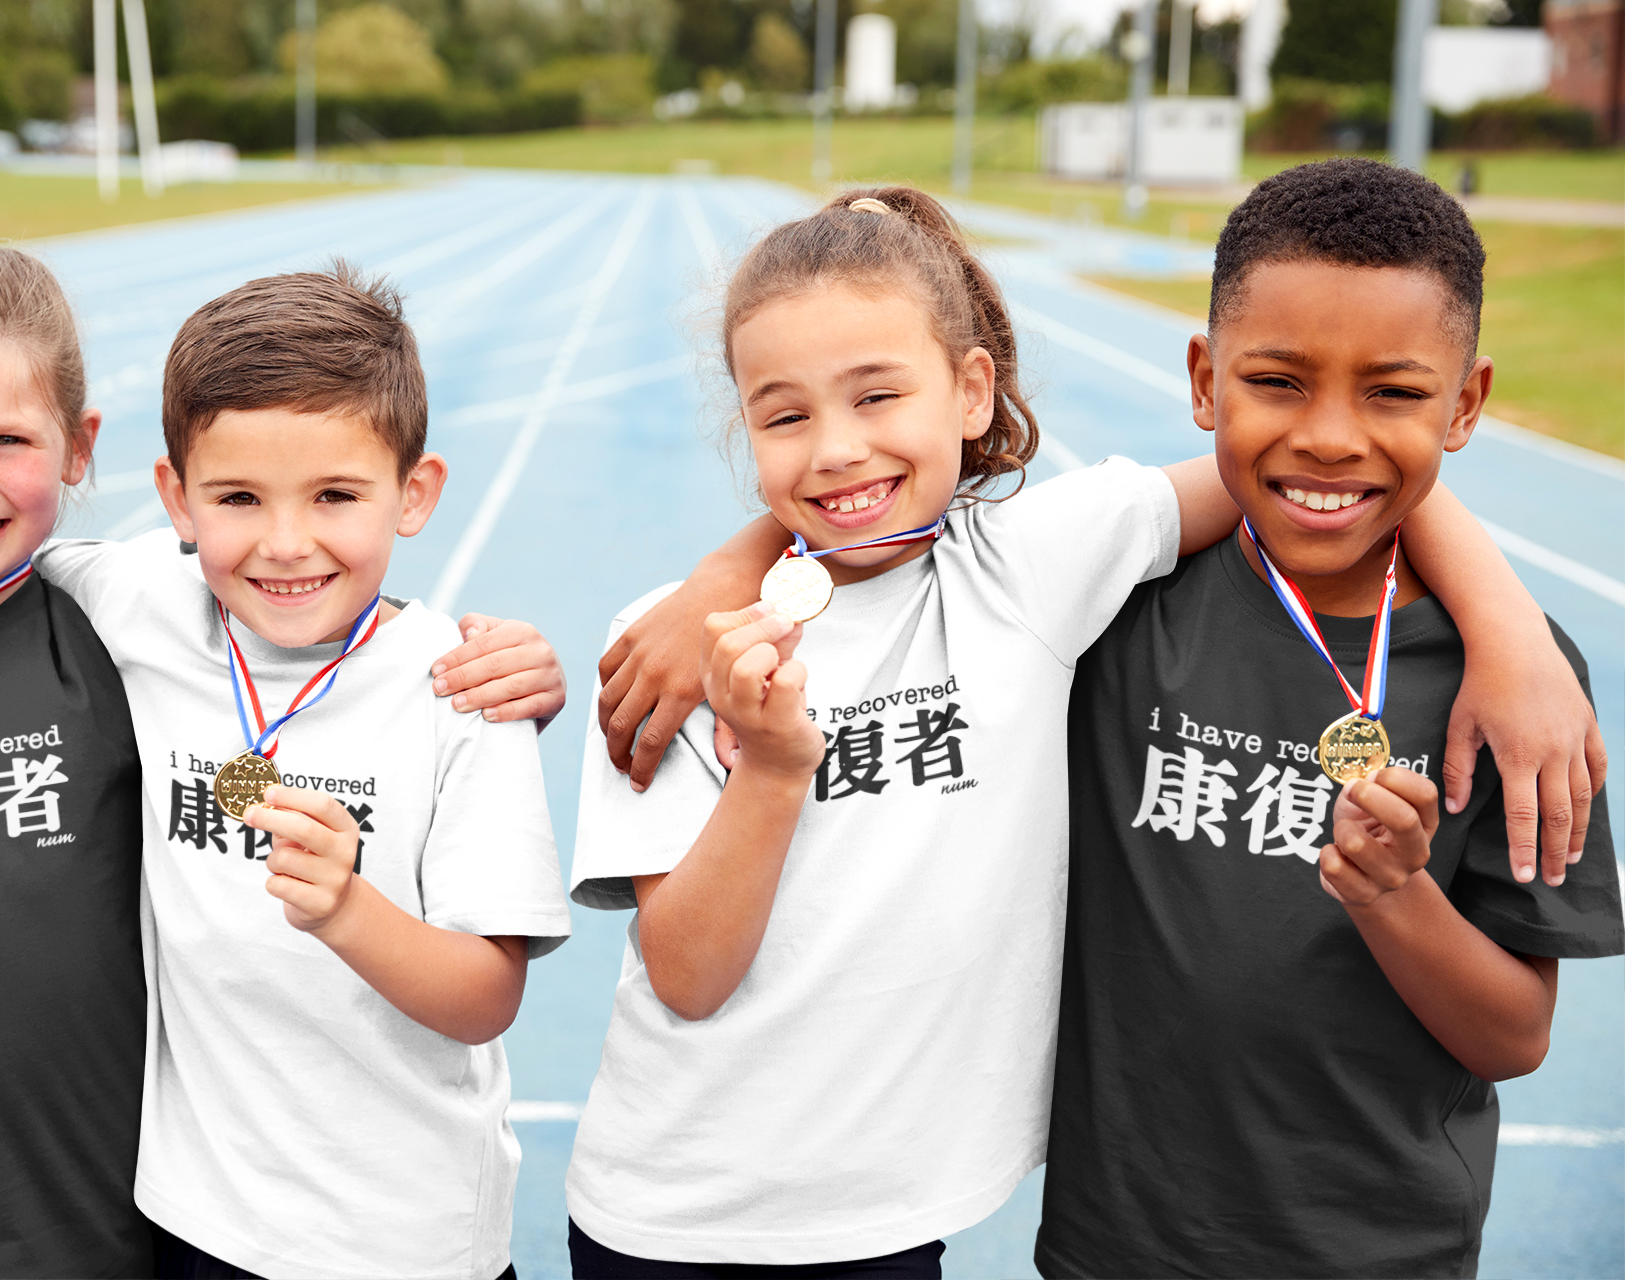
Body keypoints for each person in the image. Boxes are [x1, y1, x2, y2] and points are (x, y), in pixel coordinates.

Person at [567, 185, 1606, 1275]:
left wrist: (1508, 625)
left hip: (917, 1224)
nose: (835, 449)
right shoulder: (675, 651)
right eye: (785, 416)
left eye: (877, 396)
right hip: (688, 1214)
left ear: (972, 392)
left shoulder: (1033, 574)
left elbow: (1310, 469)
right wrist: (721, 602)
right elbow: (685, 972)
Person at [0, 251, 570, 1280]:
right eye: (240, 498)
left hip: (304, 1234)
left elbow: (488, 989)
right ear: (177, 498)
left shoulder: (432, 685)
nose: (284, 541)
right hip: (77, 1222)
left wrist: (348, 902)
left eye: (8, 439)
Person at [1034, 158, 1622, 1279]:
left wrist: (1398, 896)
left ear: (1467, 403)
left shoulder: (1518, 688)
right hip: (1115, 1248)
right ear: (1205, 380)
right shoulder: (1111, 610)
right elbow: (905, 534)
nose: (1331, 437)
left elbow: (1515, 1035)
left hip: (1380, 1253)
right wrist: (731, 577)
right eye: (1279, 380)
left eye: (1394, 392)